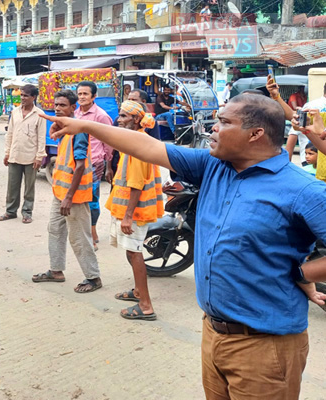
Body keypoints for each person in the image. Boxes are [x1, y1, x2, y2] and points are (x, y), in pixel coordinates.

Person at [42, 93, 326, 400]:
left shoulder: (304, 190)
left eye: (224, 122)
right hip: (214, 334)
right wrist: (84, 126)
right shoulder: (214, 166)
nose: (213, 129)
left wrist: (302, 272)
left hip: (265, 347)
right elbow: (148, 147)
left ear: (256, 134)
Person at [32, 90, 102, 294]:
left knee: (79, 237)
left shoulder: (78, 131)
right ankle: (56, 270)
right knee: (55, 230)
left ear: (73, 108)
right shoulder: (64, 129)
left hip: (74, 197)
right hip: (60, 194)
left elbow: (79, 166)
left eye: (63, 105)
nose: (57, 109)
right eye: (56, 105)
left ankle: (93, 277)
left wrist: (69, 197)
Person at [104, 101, 164, 321]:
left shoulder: (138, 145)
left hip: (135, 213)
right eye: (119, 116)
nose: (119, 120)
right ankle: (138, 292)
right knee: (131, 252)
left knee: (134, 253)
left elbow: (136, 184)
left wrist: (128, 216)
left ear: (137, 119)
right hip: (131, 211)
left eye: (124, 116)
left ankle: (145, 305)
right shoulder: (134, 141)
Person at [0, 84, 46, 224]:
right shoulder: (15, 112)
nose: (23, 98)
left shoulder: (39, 114)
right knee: (12, 185)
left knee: (29, 187)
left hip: (31, 156)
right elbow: (10, 134)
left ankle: (27, 212)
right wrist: (7, 153)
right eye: (21, 95)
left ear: (33, 97)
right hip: (15, 154)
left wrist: (39, 156)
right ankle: (10, 211)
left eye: (26, 95)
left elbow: (41, 137)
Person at [74, 81, 114, 248]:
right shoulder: (75, 113)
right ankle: (82, 230)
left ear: (94, 96)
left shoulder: (101, 115)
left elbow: (110, 141)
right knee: (79, 197)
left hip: (95, 162)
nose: (82, 97)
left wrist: (109, 166)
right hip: (78, 161)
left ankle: (92, 230)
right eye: (80, 94)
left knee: (92, 199)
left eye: (85, 94)